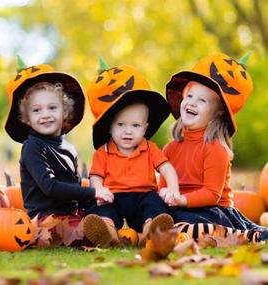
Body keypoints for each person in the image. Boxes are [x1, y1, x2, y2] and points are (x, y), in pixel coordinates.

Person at [159, 53, 268, 242]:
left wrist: (181, 200)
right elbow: (162, 186)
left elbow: (211, 194)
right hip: (178, 208)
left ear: (218, 113)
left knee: (188, 225)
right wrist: (165, 195)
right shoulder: (169, 149)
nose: (192, 102)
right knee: (157, 215)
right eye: (190, 95)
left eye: (202, 100)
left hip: (211, 210)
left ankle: (242, 235)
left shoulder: (215, 148)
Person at [4, 62, 113, 247]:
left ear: (65, 112)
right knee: (69, 229)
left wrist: (95, 201)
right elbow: (50, 187)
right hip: (44, 218)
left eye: (52, 108)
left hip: (70, 214)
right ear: (27, 118)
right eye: (36, 110)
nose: (45, 115)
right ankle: (95, 234)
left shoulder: (69, 147)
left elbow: (75, 185)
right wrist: (93, 192)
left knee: (104, 211)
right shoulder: (32, 147)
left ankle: (111, 229)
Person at [83, 62, 180, 248]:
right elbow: (95, 177)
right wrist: (99, 190)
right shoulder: (102, 152)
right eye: (121, 125)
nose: (128, 131)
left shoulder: (150, 148)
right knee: (100, 208)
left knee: (155, 205)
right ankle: (107, 232)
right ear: (110, 127)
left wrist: (173, 190)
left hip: (143, 196)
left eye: (135, 126)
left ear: (145, 128)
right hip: (113, 196)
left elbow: (167, 168)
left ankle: (151, 230)